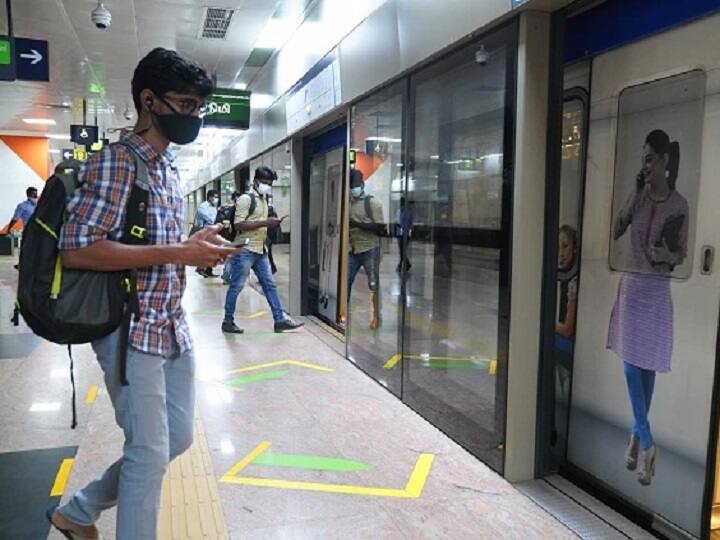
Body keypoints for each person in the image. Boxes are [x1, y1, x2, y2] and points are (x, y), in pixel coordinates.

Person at [48, 48, 237, 540]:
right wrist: (178, 253)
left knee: (176, 438)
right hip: (130, 332)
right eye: (184, 104)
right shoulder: (117, 162)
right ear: (149, 100)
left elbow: (158, 244)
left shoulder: (169, 167)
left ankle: (79, 510)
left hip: (170, 325)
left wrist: (196, 246)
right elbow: (78, 249)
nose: (192, 115)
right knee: (148, 453)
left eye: (199, 107)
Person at [607, 129, 688, 487]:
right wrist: (634, 192)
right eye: (643, 160)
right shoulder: (639, 197)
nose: (646, 166)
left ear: (664, 161)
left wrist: (665, 255)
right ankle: (648, 442)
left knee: (648, 368)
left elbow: (681, 255)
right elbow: (617, 229)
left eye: (650, 159)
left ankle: (637, 437)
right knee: (630, 368)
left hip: (656, 293)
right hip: (631, 289)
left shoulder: (679, 205)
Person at [222, 166, 303, 334]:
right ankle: (227, 321)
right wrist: (266, 222)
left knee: (269, 285)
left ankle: (279, 320)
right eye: (265, 183)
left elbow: (258, 221)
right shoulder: (245, 199)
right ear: (256, 181)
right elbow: (238, 224)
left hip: (260, 249)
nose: (268, 186)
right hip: (245, 249)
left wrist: (271, 222)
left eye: (270, 184)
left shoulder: (264, 200)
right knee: (236, 286)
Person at [347, 169, 385, 330]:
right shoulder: (347, 203)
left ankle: (376, 316)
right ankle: (344, 313)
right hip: (352, 250)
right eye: (351, 186)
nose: (353, 188)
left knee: (373, 284)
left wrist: (356, 224)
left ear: (362, 184)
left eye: (355, 185)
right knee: (346, 282)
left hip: (370, 249)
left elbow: (380, 228)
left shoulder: (373, 203)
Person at [6, 186, 38, 269]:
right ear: (28, 194)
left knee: (38, 248)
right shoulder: (23, 206)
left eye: (36, 194)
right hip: (29, 230)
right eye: (33, 194)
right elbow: (15, 219)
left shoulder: (39, 205)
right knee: (25, 248)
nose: (35, 196)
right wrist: (9, 229)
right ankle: (21, 264)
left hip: (39, 230)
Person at [194, 189, 220, 277]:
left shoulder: (214, 207)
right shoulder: (203, 207)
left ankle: (209, 270)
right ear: (209, 197)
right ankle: (200, 268)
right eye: (215, 197)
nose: (217, 199)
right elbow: (211, 220)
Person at [394, 197, 414, 272]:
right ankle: (403, 264)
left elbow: (411, 224)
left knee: (402, 250)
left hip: (406, 234)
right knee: (402, 250)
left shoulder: (408, 213)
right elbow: (397, 222)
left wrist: (409, 232)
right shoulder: (399, 211)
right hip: (400, 234)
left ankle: (402, 265)